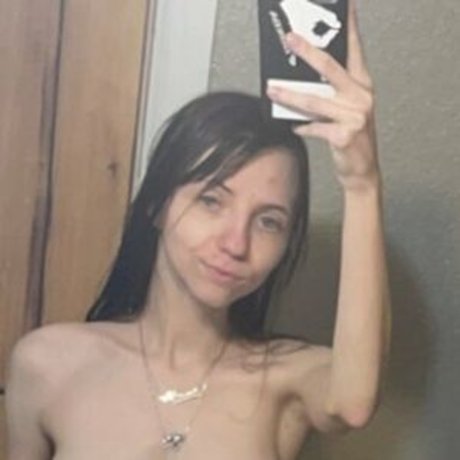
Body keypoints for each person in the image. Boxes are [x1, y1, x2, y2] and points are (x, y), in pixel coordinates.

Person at [5, 2, 390, 459]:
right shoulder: (48, 365)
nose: (236, 243)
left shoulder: (286, 381)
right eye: (211, 200)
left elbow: (352, 404)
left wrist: (362, 184)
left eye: (268, 221)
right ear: (157, 205)